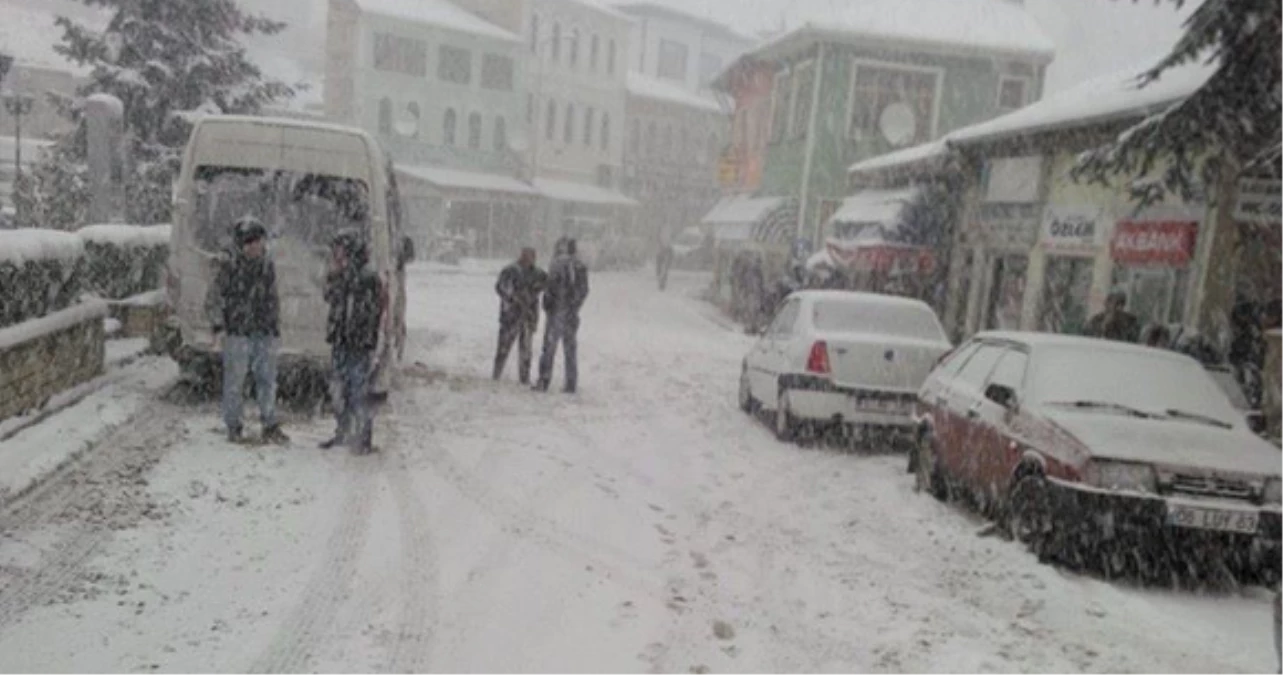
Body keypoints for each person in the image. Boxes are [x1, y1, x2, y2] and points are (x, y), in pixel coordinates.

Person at [207, 217, 289, 444]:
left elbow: (272, 297)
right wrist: (219, 324)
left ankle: (269, 422)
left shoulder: (266, 265)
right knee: (235, 380)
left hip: (264, 330)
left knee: (267, 379)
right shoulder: (229, 266)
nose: (256, 247)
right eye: (250, 243)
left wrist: (274, 324)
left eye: (259, 242)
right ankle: (234, 424)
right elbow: (214, 297)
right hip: (238, 330)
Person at [320, 231, 385, 454]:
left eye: (338, 249)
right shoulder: (342, 274)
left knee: (357, 390)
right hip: (342, 340)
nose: (335, 254)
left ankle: (361, 437)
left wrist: (366, 338)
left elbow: (371, 311)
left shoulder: (366, 277)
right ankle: (345, 432)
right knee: (340, 390)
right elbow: (329, 296)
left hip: (357, 343)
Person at [535, 237, 589, 393]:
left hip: (556, 312)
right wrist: (575, 306)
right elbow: (584, 290)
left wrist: (549, 304)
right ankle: (571, 383)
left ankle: (544, 380)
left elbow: (550, 287)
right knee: (570, 348)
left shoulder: (557, 264)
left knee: (549, 348)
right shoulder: (580, 266)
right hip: (571, 313)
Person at [494, 247, 547, 384]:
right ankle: (497, 374)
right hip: (510, 315)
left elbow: (547, 286)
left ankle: (524, 377)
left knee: (526, 350)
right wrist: (513, 298)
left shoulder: (538, 273)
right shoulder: (510, 271)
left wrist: (534, 292)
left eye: (531, 256)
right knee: (504, 347)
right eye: (526, 256)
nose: (528, 259)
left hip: (528, 316)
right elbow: (500, 287)